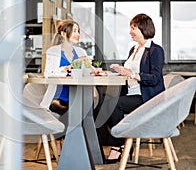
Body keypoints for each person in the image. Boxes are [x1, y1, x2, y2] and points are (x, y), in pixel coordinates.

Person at [101, 13, 165, 163]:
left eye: (133, 28)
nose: (130, 32)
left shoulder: (155, 50)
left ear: (143, 28)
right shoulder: (133, 49)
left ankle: (119, 144)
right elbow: (126, 73)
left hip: (146, 97)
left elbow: (155, 78)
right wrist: (108, 73)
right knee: (101, 102)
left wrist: (132, 74)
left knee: (115, 104)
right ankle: (118, 142)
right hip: (131, 94)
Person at [42, 19, 88, 154]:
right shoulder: (53, 51)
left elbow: (85, 73)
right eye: (74, 31)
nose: (77, 34)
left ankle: (63, 141)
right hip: (57, 97)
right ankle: (66, 144)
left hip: (77, 95)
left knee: (88, 108)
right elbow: (48, 74)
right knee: (74, 111)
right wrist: (66, 68)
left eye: (78, 31)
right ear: (63, 33)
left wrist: (92, 70)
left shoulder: (81, 52)